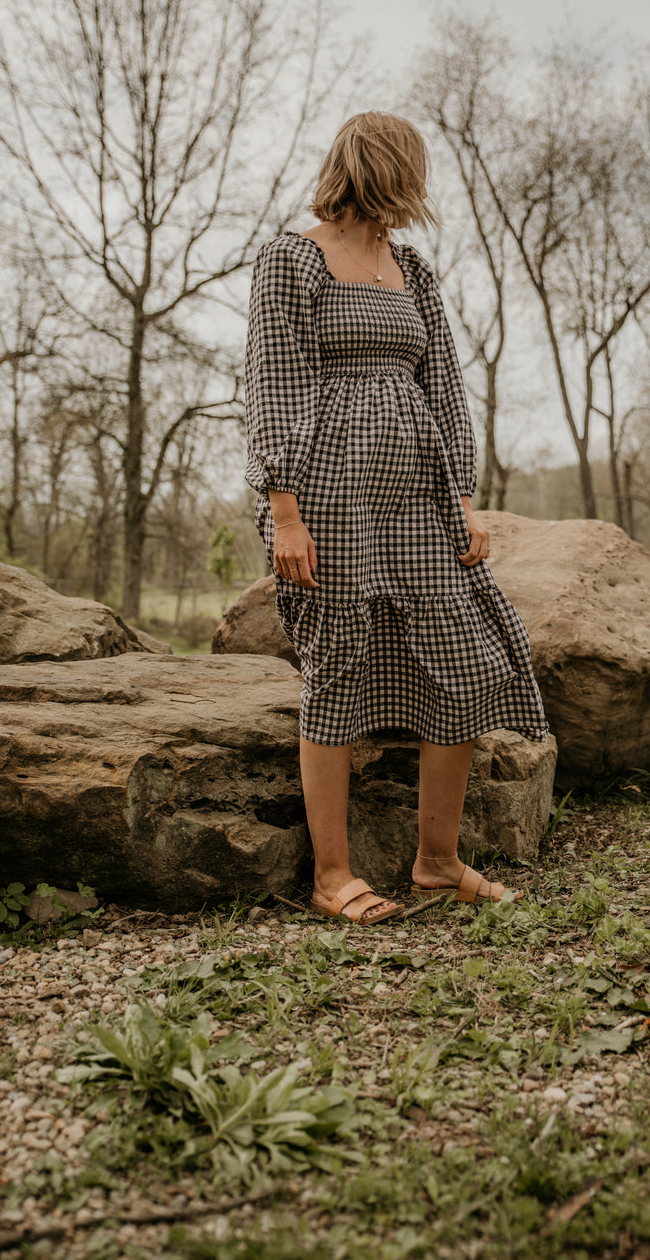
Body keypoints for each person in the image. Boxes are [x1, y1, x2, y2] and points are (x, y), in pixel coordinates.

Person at [244, 111, 547, 925]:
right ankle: (332, 876)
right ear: (377, 172)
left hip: (417, 496)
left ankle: (438, 864)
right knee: (338, 671)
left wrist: (462, 497)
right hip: (330, 497)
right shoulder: (291, 260)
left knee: (465, 658)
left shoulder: (410, 267)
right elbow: (272, 385)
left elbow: (443, 383)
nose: (415, 195)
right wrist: (284, 511)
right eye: (406, 175)